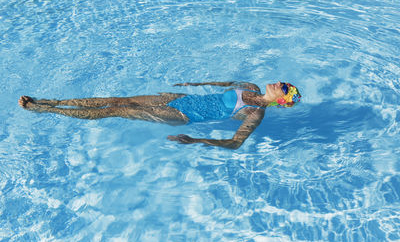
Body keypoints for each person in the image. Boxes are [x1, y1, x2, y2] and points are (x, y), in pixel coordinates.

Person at [18, 81, 301, 149]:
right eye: (284, 83)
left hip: (180, 114)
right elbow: (221, 84)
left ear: (282, 101)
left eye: (285, 88)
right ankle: (50, 100)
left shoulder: (255, 113)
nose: (280, 83)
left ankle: (44, 109)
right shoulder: (249, 87)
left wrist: (196, 140)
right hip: (180, 98)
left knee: (115, 111)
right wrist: (192, 84)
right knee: (118, 99)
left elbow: (235, 144)